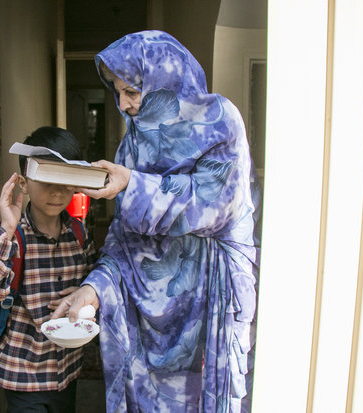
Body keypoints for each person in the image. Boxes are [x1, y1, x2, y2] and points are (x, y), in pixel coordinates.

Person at [51, 31, 261, 413]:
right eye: (116, 92)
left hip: (208, 302)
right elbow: (123, 240)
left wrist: (131, 183)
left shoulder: (220, 120)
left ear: (166, 80)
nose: (124, 104)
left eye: (132, 91)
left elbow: (215, 206)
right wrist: (94, 289)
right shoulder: (132, 144)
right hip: (146, 323)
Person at [0, 126, 98, 413]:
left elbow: (93, 280)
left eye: (64, 179)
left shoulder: (78, 233)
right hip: (23, 373)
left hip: (67, 368)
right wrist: (7, 228)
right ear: (24, 183)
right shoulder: (9, 237)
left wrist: (83, 291)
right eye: (46, 178)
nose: (56, 191)